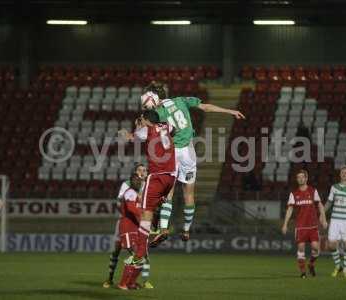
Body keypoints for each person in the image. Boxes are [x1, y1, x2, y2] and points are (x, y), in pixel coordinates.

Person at [144, 82, 245, 245]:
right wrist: (229, 111)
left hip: (173, 153)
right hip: (188, 152)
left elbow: (147, 128)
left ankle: (163, 228)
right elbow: (205, 107)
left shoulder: (156, 112)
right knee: (189, 194)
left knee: (167, 193)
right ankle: (186, 229)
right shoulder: (181, 100)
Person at [118, 109, 177, 289]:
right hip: (171, 176)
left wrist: (126, 131)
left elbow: (129, 138)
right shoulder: (168, 125)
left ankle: (142, 247)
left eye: (142, 119)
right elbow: (173, 130)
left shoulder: (146, 130)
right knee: (156, 207)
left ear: (146, 120)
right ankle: (159, 229)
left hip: (157, 176)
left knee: (145, 214)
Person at [103, 164, 153, 289]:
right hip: (126, 223)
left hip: (137, 223)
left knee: (143, 253)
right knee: (117, 251)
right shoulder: (128, 185)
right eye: (139, 170)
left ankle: (142, 281)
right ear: (135, 172)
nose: (142, 172)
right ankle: (110, 279)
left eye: (144, 170)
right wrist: (135, 216)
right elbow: (122, 203)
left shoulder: (148, 185)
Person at [282, 169, 328, 278]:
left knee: (316, 248)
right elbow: (290, 209)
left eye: (302, 177)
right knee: (301, 248)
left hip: (313, 226)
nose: (300, 179)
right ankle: (303, 272)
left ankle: (311, 264)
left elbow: (320, 205)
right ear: (297, 179)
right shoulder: (294, 194)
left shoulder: (313, 191)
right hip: (301, 226)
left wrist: (324, 219)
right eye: (298, 177)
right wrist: (285, 224)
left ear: (306, 178)